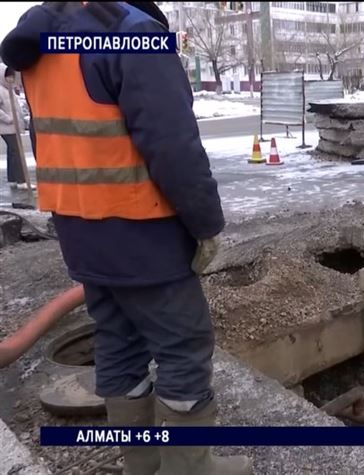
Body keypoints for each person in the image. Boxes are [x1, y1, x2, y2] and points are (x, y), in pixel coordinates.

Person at [1, 2, 252, 474]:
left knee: (118, 344)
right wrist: (206, 226)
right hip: (144, 235)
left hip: (80, 233)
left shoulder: (43, 41)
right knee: (184, 348)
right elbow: (175, 150)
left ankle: (144, 465)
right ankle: (189, 470)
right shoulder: (132, 37)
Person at [0, 63, 26, 189]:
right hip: (6, 127)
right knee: (17, 152)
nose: (10, 79)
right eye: (7, 76)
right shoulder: (0, 90)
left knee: (12, 152)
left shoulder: (8, 89)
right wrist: (9, 119)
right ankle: (21, 180)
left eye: (11, 76)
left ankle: (13, 179)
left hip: (12, 126)